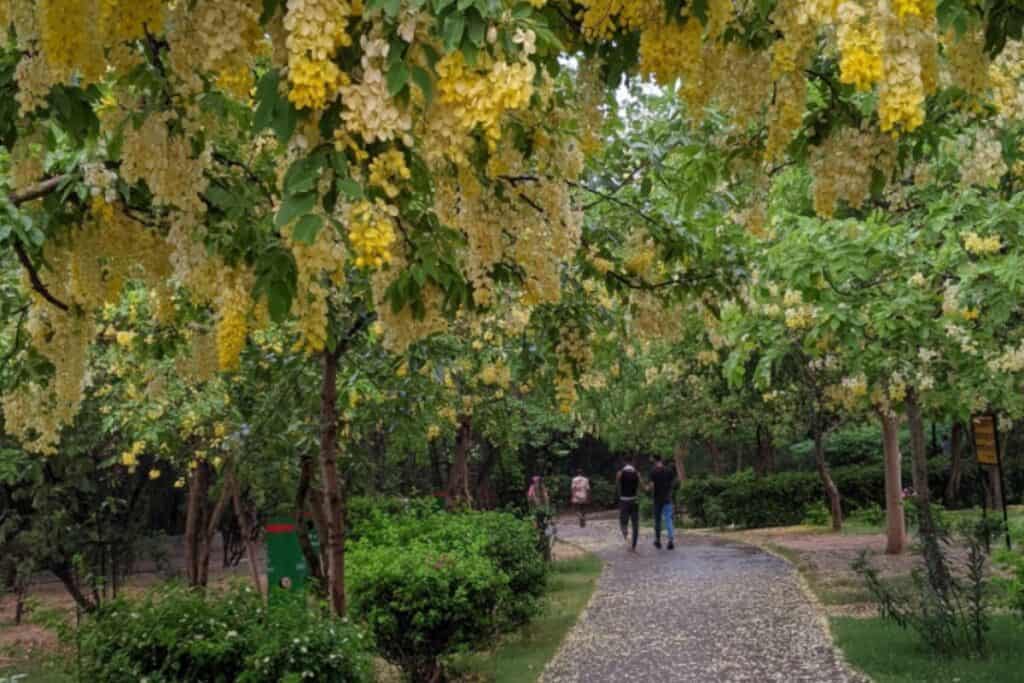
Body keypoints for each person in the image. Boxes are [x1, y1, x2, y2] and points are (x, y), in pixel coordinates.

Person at [648, 456, 677, 550]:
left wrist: (647, 489)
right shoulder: (669, 471)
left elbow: (652, 486)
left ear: (654, 460)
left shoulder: (653, 471)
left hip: (657, 499)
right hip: (667, 498)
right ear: (661, 460)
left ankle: (658, 541)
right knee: (668, 519)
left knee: (657, 520)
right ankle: (671, 540)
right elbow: (673, 483)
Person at [617, 457, 640, 552]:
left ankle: (625, 533)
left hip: (624, 500)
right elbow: (640, 486)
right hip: (634, 500)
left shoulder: (620, 473)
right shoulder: (637, 474)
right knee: (635, 524)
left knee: (623, 520)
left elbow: (617, 484)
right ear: (632, 462)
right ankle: (633, 546)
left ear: (624, 462)